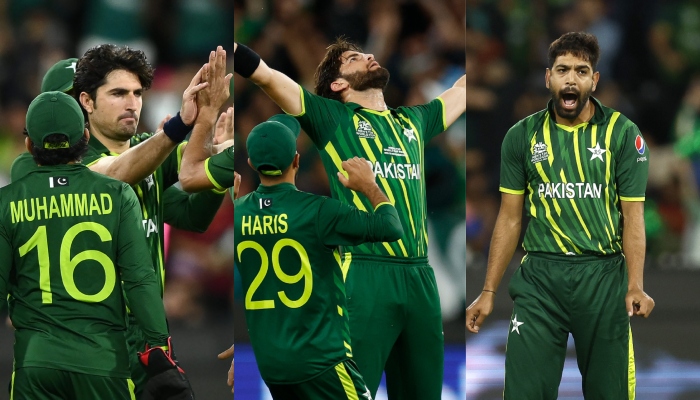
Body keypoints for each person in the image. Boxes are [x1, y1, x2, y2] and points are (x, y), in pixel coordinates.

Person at [232, 37, 466, 400]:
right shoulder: (331, 118)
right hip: (364, 275)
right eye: (355, 58)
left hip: (421, 276)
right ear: (338, 84)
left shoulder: (415, 121)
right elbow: (266, 76)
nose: (370, 56)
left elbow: (463, 90)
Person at [10, 44, 228, 399]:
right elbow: (114, 174)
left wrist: (219, 145)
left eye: (136, 93)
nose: (69, 115)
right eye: (117, 93)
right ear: (86, 101)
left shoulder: (149, 150)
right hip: (92, 338)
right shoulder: (49, 166)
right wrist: (181, 127)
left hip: (148, 340)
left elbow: (192, 214)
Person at [465, 32, 655, 399]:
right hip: (540, 280)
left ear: (594, 80)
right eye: (563, 70)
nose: (571, 79)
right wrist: (488, 290)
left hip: (602, 278)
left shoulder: (622, 133)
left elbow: (633, 216)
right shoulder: (521, 137)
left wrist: (635, 283)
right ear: (548, 77)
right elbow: (508, 219)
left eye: (581, 71)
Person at [0, 91, 192, 400]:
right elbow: (141, 279)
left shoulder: (5, 204)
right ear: (86, 136)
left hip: (36, 364)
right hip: (103, 362)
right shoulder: (117, 195)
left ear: (28, 145)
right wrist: (160, 350)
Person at [235, 112, 402, 399]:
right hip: (321, 360)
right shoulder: (320, 211)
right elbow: (391, 227)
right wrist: (369, 187)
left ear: (251, 164)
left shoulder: (238, 213)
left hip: (272, 366)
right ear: (297, 161)